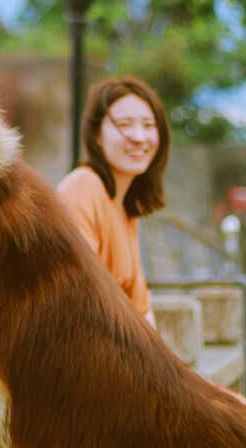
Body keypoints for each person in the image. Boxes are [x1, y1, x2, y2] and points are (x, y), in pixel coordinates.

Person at [57, 76, 169, 328]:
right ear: (97, 134)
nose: (139, 137)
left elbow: (142, 311)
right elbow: (77, 299)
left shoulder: (128, 208)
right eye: (125, 124)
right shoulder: (83, 187)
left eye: (149, 125)